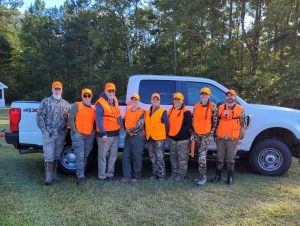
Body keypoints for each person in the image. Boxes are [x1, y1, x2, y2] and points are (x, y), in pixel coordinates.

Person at [36, 81, 69, 185]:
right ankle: (48, 178)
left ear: (62, 90)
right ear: (52, 89)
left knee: (57, 155)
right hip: (49, 134)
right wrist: (44, 131)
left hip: (60, 134)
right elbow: (39, 117)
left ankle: (54, 175)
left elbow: (68, 119)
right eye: (56, 88)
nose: (57, 91)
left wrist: (66, 129)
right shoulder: (46, 102)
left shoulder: (65, 103)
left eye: (59, 89)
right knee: (49, 155)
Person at [213, 89, 246, 185]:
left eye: (232, 96)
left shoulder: (240, 109)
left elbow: (243, 124)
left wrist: (241, 137)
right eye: (228, 96)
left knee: (230, 158)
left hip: (233, 137)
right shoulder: (220, 107)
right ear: (225, 97)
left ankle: (229, 178)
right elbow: (216, 122)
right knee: (219, 157)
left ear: (235, 97)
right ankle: (217, 176)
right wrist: (215, 135)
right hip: (220, 137)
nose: (230, 97)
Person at [95, 83, 122, 181]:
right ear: (105, 91)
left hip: (115, 134)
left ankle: (110, 174)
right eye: (109, 91)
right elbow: (99, 120)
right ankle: (102, 176)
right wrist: (103, 134)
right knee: (102, 156)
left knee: (113, 155)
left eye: (113, 91)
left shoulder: (114, 100)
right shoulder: (100, 103)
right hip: (105, 135)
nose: (111, 92)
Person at [192, 87, 218, 186]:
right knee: (198, 156)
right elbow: (194, 120)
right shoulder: (196, 106)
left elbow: (215, 122)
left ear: (209, 96)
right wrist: (193, 134)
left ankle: (203, 177)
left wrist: (211, 134)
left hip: (206, 135)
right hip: (197, 134)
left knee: (202, 156)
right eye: (202, 94)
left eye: (206, 94)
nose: (204, 95)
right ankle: (200, 176)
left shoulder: (213, 106)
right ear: (200, 95)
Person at [69, 88, 95, 186]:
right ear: (82, 96)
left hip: (89, 135)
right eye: (85, 95)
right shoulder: (77, 105)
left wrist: (92, 132)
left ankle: (81, 174)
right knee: (80, 156)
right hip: (78, 135)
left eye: (89, 96)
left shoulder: (93, 109)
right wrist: (75, 131)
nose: (87, 97)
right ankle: (80, 177)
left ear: (91, 97)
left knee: (85, 156)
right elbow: (71, 118)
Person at [145, 93, 170, 181]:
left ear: (159, 101)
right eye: (153, 100)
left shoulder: (163, 111)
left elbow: (167, 125)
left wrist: (164, 135)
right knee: (152, 157)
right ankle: (154, 174)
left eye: (157, 100)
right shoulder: (147, 112)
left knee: (160, 157)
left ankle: (162, 175)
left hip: (159, 138)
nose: (155, 101)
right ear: (151, 101)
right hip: (150, 137)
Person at [168, 92, 192, 181]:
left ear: (182, 101)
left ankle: (181, 175)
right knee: (173, 157)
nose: (177, 101)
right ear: (173, 100)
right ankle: (174, 173)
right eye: (175, 99)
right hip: (172, 139)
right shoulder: (171, 110)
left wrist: (179, 133)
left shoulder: (186, 112)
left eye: (179, 99)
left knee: (182, 158)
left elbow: (189, 125)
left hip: (183, 139)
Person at [121, 94, 145, 183]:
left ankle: (136, 176)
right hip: (128, 137)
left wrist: (129, 130)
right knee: (126, 156)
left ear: (138, 101)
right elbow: (124, 122)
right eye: (133, 100)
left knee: (137, 157)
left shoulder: (141, 111)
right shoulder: (127, 111)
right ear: (131, 101)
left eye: (136, 100)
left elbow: (139, 125)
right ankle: (127, 176)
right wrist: (126, 130)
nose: (134, 101)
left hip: (137, 137)